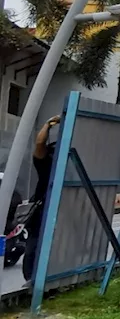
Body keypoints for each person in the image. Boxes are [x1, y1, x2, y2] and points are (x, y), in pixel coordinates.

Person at [5, 115, 60, 283]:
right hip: (41, 214)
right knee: (33, 250)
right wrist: (48, 124)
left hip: (65, 213)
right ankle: (31, 282)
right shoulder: (47, 165)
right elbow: (39, 145)